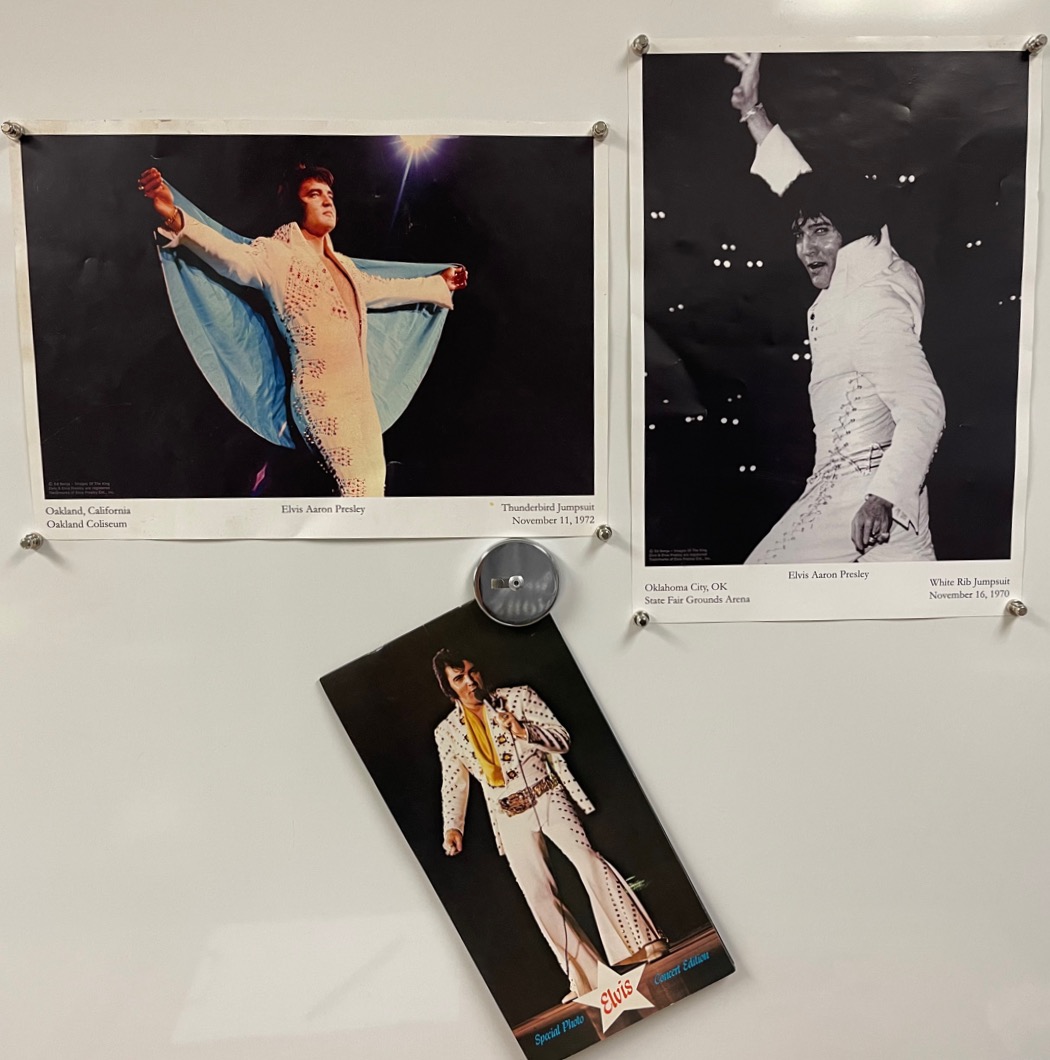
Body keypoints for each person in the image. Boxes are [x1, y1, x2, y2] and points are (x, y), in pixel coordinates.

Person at [725, 53, 946, 564]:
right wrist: (753, 112)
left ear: (852, 232)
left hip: (858, 508)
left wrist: (881, 497)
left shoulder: (871, 299)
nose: (807, 249)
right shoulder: (861, 272)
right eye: (800, 235)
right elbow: (802, 183)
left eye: (821, 232)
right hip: (872, 508)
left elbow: (924, 407)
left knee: (754, 585)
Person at [138, 164, 467, 498]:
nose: (327, 201)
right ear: (296, 205)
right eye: (314, 194)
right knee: (359, 489)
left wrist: (438, 284)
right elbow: (230, 257)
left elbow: (388, 289)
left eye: (329, 195)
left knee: (373, 491)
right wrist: (175, 217)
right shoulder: (275, 254)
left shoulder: (346, 268)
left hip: (361, 401)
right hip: (321, 397)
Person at [432, 650, 667, 1003]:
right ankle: (585, 978)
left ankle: (644, 942)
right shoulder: (448, 731)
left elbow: (562, 739)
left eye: (472, 672)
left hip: (547, 793)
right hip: (508, 814)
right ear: (448, 688)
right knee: (537, 894)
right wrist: (453, 827)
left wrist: (524, 730)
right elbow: (454, 782)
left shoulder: (518, 697)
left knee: (588, 860)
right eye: (459, 678)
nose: (470, 681)